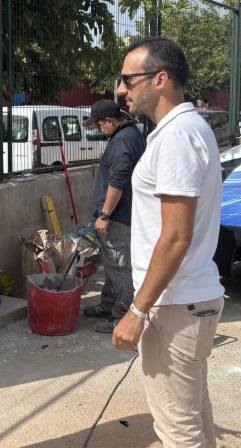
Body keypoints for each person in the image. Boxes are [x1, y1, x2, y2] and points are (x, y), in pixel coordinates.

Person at [111, 37, 226, 448]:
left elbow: (175, 237)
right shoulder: (186, 129)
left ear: (160, 80)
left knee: (178, 432)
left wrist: (138, 311)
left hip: (174, 305)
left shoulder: (177, 136)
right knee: (195, 419)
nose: (122, 90)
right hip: (191, 298)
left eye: (128, 79)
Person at [81, 99, 145, 333]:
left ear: (110, 121)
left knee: (119, 266)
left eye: (99, 126)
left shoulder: (122, 141)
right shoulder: (129, 134)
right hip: (121, 215)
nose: (99, 130)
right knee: (112, 264)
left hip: (118, 217)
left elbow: (117, 181)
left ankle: (123, 316)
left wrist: (105, 215)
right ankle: (109, 305)